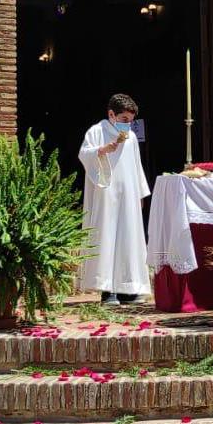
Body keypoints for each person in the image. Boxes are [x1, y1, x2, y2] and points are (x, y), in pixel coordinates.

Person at [78, 94, 151, 306]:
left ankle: (129, 288)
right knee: (107, 237)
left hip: (128, 196)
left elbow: (136, 166)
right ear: (111, 114)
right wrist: (102, 150)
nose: (128, 124)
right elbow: (85, 154)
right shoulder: (96, 131)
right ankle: (107, 290)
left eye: (130, 120)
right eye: (124, 119)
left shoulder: (131, 139)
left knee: (129, 238)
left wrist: (139, 193)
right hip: (106, 195)